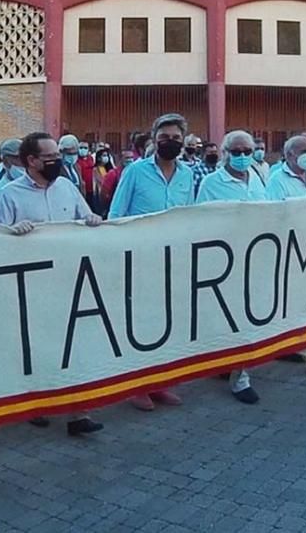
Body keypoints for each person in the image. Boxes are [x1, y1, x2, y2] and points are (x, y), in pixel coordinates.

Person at [0, 132, 105, 435]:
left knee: (73, 345)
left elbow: (85, 216)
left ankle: (78, 413)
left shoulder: (66, 187)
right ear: (31, 161)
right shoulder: (9, 195)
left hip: (69, 279)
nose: (57, 162)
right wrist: (12, 232)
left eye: (58, 156)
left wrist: (92, 220)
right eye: (50, 158)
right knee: (38, 348)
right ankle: (35, 403)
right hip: (32, 285)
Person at [108, 113, 195, 410]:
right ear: (154, 139)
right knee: (139, 322)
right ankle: (136, 386)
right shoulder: (135, 171)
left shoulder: (187, 174)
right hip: (138, 257)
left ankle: (160, 384)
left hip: (173, 259)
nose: (170, 142)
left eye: (175, 138)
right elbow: (117, 212)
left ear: (183, 141)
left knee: (166, 322)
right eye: (164, 137)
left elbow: (190, 215)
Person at [195, 130, 266, 404]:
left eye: (247, 151)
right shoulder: (212, 183)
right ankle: (234, 371)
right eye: (236, 152)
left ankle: (239, 373)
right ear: (225, 153)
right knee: (231, 318)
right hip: (226, 262)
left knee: (248, 317)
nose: (243, 156)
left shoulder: (258, 178)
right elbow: (201, 221)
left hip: (256, 258)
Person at [265, 135, 306, 374]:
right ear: (290, 155)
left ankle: (292, 346)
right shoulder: (276, 180)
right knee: (297, 302)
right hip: (289, 249)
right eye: (303, 150)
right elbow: (273, 215)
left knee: (303, 302)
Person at [89, 146, 115, 215]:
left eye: (107, 155)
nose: (106, 157)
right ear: (99, 158)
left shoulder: (110, 169)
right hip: (100, 196)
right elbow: (99, 182)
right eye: (104, 155)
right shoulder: (95, 170)